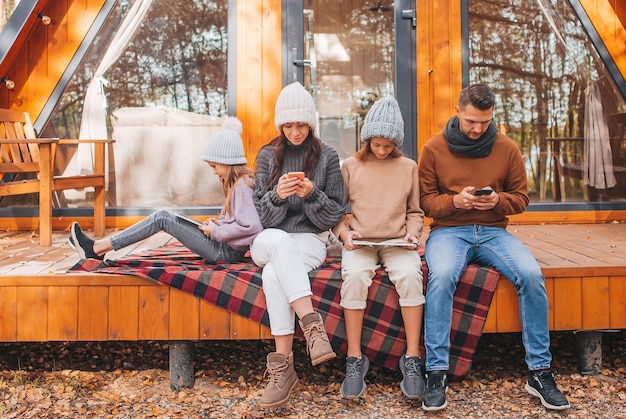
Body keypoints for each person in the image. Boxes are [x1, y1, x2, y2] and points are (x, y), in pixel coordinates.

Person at [418, 83, 570, 411]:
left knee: (531, 274)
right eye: (472, 121)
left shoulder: (506, 148)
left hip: (493, 232)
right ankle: (436, 371)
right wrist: (455, 201)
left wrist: (497, 199)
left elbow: (521, 199)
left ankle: (540, 372)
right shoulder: (433, 148)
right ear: (457, 112)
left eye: (484, 122)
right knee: (441, 276)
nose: (477, 129)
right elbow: (425, 202)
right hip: (449, 231)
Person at [251, 82, 346, 408]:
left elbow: (334, 214)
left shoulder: (328, 157)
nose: (295, 131)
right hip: (269, 237)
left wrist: (311, 195)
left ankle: (283, 367)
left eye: (301, 124)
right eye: (288, 125)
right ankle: (313, 327)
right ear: (280, 125)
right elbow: (263, 219)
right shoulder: (266, 155)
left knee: (272, 276)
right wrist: (278, 194)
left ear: (311, 123)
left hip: (309, 239)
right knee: (277, 240)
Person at [68, 117, 263, 264]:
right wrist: (217, 223)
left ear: (228, 162)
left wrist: (217, 232)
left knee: (163, 217)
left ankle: (98, 248)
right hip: (223, 246)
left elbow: (252, 227)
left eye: (214, 166)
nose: (213, 172)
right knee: (165, 215)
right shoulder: (237, 182)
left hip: (224, 252)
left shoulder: (242, 185)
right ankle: (98, 248)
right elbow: (238, 220)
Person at [333, 97, 425, 400]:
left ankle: (412, 357)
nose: (382, 151)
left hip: (398, 242)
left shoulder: (408, 167)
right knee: (355, 278)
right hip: (361, 243)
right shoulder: (351, 166)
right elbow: (336, 212)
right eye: (376, 145)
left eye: (388, 146)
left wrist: (413, 234)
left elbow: (415, 212)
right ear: (367, 138)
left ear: (396, 143)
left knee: (411, 276)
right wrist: (344, 234)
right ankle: (355, 358)